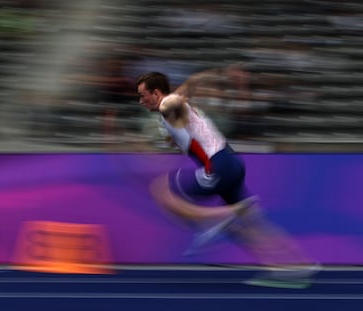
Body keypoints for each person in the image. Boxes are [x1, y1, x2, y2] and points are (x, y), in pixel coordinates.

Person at [136, 67, 319, 288]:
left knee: (160, 188)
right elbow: (192, 82)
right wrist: (212, 76)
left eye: (142, 95)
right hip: (231, 162)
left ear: (155, 93)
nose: (140, 101)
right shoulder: (175, 104)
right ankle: (293, 264)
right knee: (252, 224)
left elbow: (173, 101)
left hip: (217, 167)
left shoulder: (167, 104)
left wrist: (181, 96)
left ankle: (219, 217)